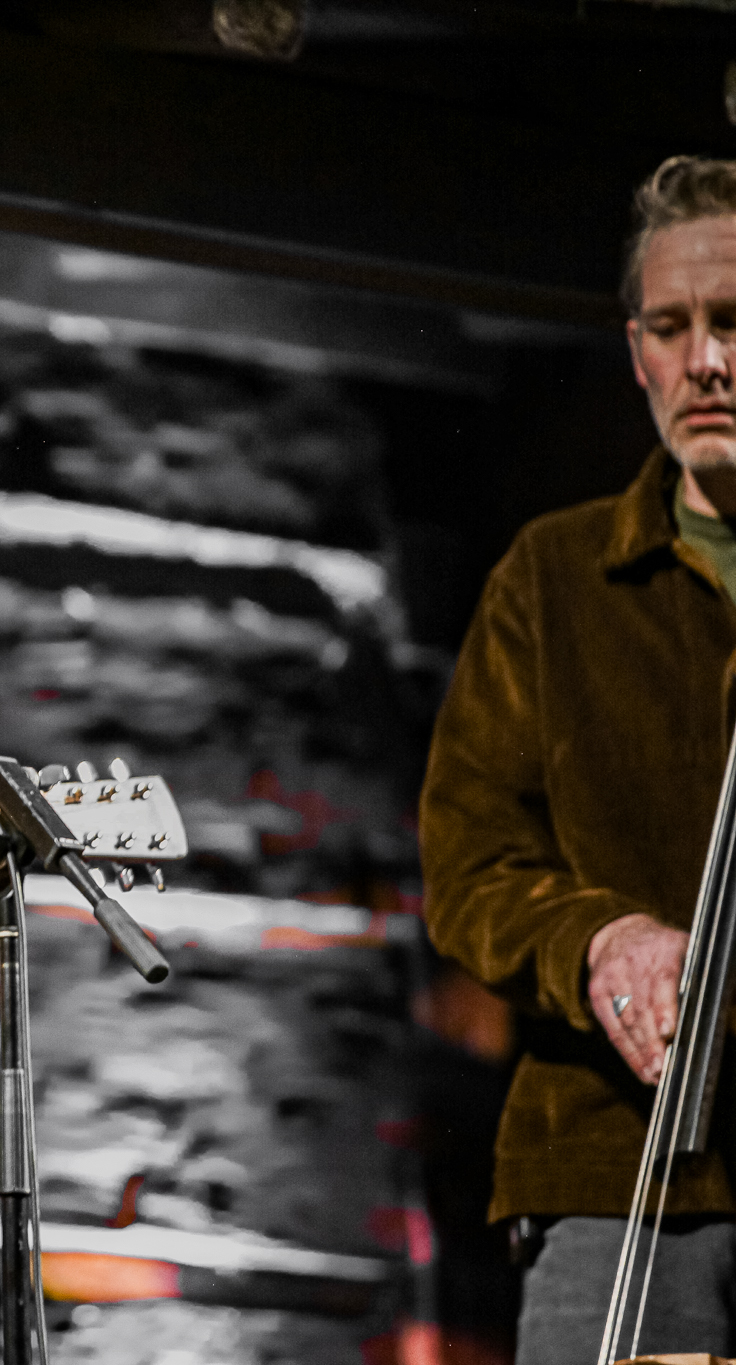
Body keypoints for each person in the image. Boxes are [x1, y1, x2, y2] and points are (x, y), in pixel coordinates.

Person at [422, 155, 736, 1361]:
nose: (705, 361)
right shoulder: (548, 580)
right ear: (635, 350)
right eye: (673, 326)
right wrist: (599, 941)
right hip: (613, 1165)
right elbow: (468, 864)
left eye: (732, 323)